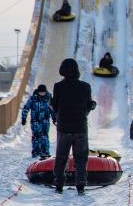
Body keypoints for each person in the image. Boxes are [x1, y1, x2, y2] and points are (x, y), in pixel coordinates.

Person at [51, 58, 96, 194]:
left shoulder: (58, 87)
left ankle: (59, 185)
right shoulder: (85, 86)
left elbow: (55, 106)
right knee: (81, 158)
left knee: (61, 157)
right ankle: (81, 185)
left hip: (64, 127)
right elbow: (89, 106)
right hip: (80, 128)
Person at [21, 84, 56, 159]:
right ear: (38, 92)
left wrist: (54, 118)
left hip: (45, 121)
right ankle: (36, 151)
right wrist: (24, 118)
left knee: (44, 136)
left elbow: (52, 109)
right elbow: (26, 108)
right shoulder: (33, 98)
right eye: (41, 92)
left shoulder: (48, 98)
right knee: (36, 136)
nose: (42, 94)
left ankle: (45, 152)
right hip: (35, 121)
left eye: (43, 92)